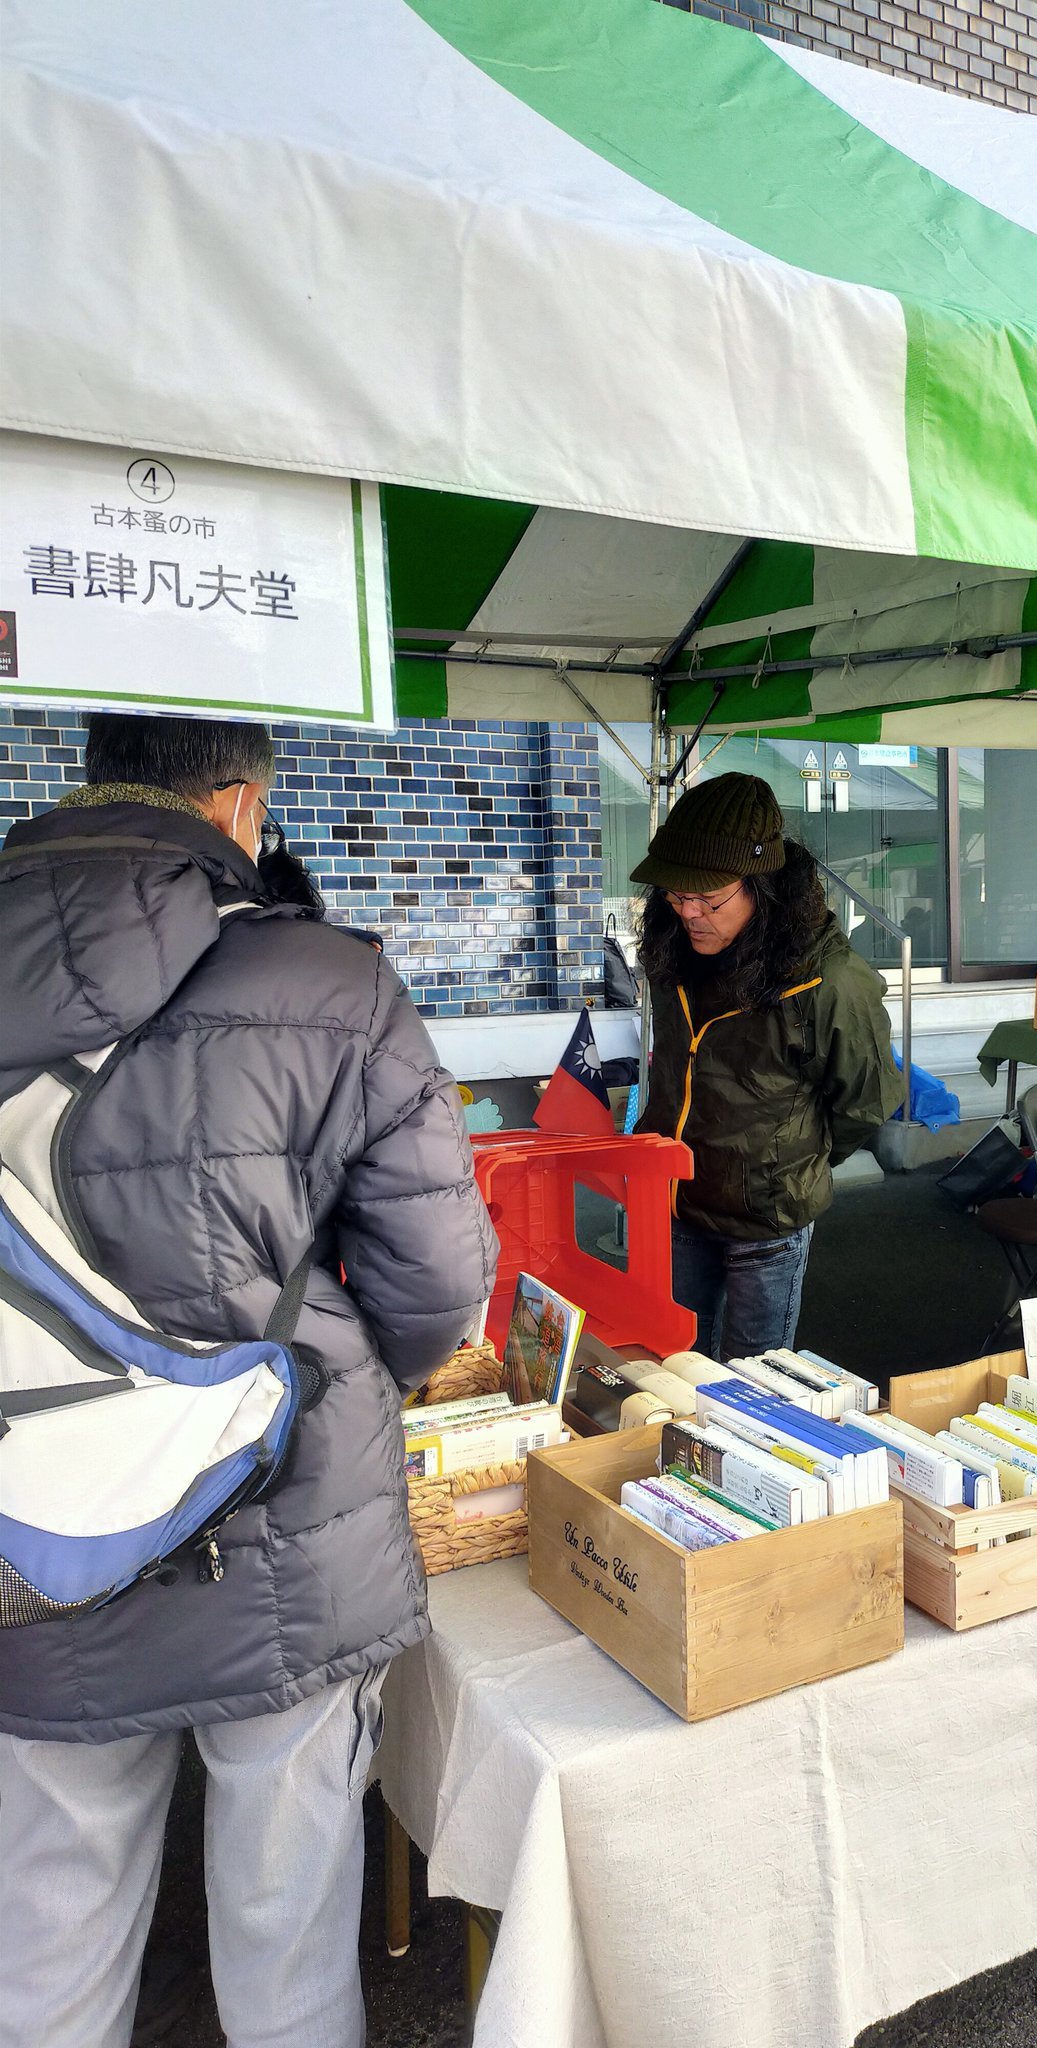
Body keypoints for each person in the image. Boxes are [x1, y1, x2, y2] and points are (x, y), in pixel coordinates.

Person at [0, 713, 498, 2048]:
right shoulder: (331, 980)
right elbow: (438, 1279)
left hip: (26, 1523)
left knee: (49, 1924)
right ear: (236, 806)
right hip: (279, 1518)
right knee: (287, 1918)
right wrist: (341, 1375)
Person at [632, 773, 902, 1360]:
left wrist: (789, 1160)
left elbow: (867, 1100)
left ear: (764, 887)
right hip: (675, 1202)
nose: (690, 913)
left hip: (767, 1218)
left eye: (709, 898)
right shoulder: (673, 950)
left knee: (752, 1386)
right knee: (671, 1366)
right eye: (676, 895)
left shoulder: (830, 981)